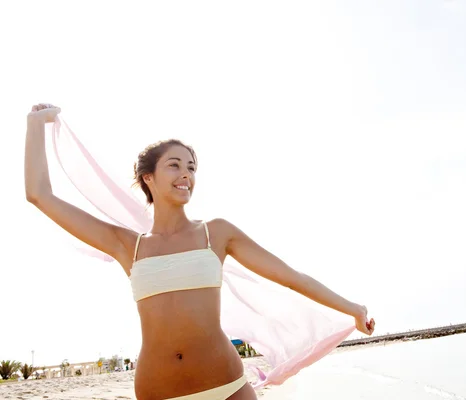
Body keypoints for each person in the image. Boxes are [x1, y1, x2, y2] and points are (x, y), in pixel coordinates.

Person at [24, 103, 375, 400]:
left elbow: (292, 278)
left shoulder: (216, 234)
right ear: (148, 177)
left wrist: (353, 309)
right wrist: (35, 124)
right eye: (174, 165)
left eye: (191, 167)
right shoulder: (127, 245)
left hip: (227, 387)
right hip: (158, 391)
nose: (186, 175)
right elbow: (40, 195)